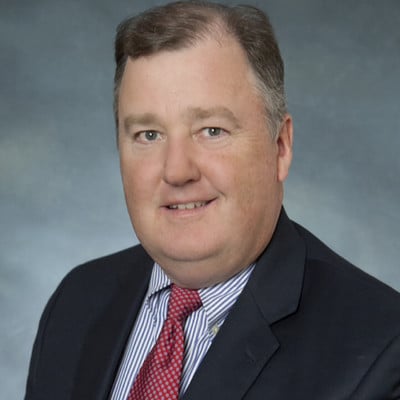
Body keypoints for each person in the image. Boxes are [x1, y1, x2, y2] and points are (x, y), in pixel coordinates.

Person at [25, 1, 400, 399]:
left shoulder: (380, 348)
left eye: (211, 130)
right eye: (149, 135)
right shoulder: (76, 301)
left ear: (280, 146)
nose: (177, 171)